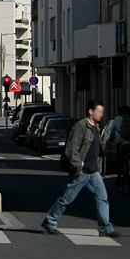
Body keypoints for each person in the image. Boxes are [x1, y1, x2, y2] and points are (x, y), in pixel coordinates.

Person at [42, 100, 121, 238]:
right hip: (82, 170)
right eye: (99, 111)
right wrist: (77, 167)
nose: (102, 115)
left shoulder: (95, 127)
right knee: (67, 198)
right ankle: (50, 221)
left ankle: (105, 228)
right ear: (91, 111)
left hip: (94, 171)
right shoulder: (80, 126)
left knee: (102, 198)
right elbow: (72, 149)